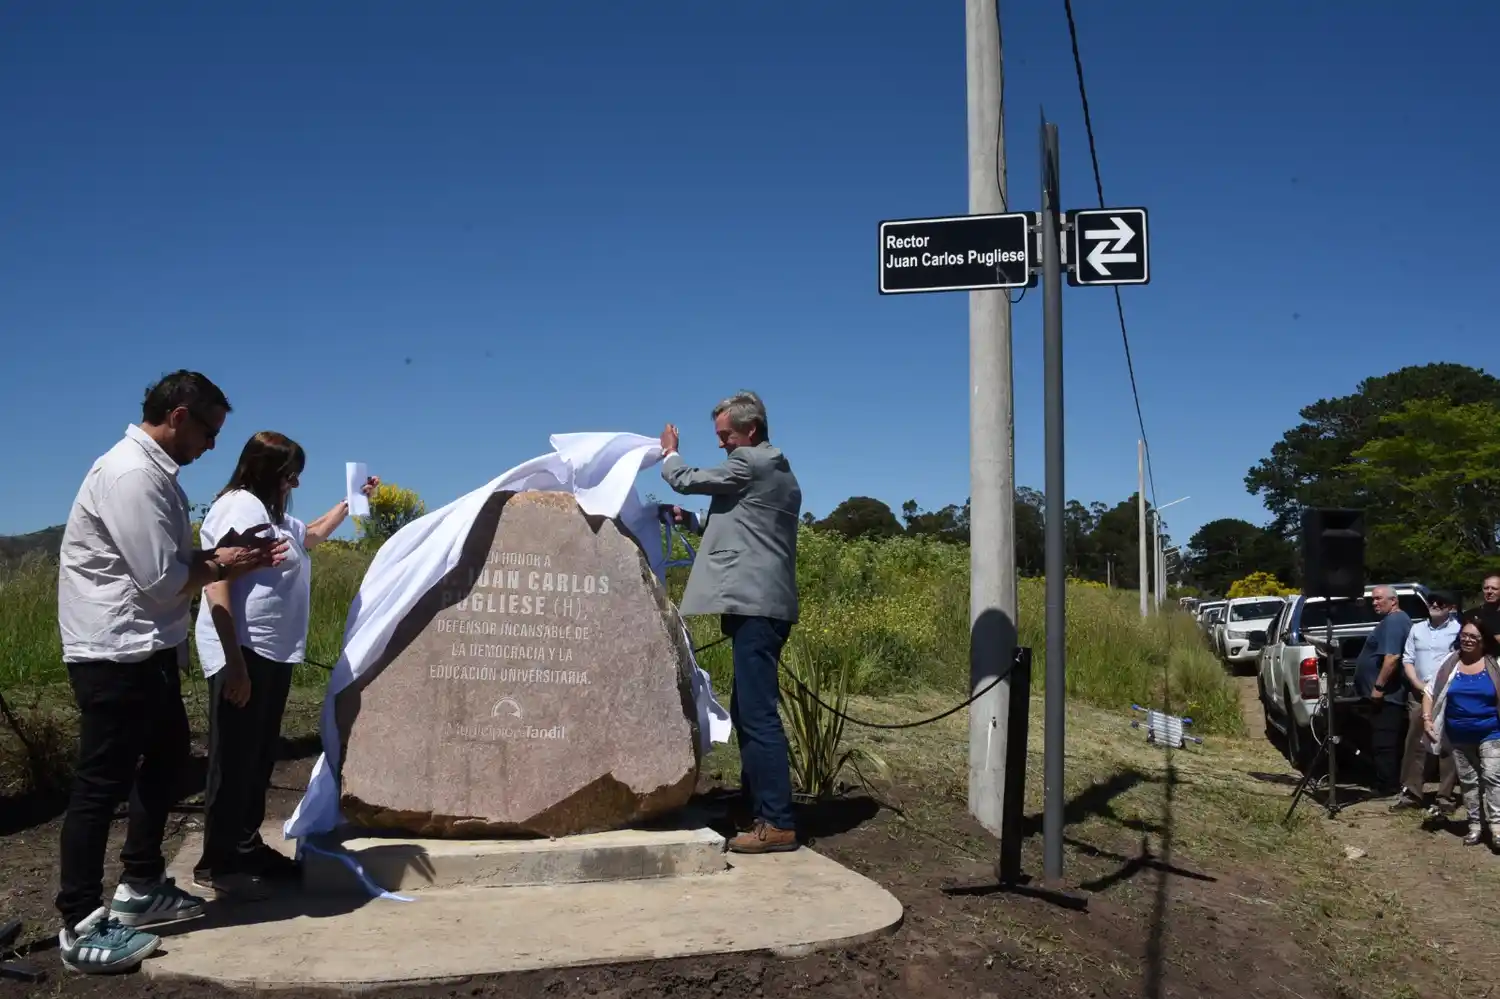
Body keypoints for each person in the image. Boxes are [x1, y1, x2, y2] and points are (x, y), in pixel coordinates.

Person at [55, 371, 286, 974]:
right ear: (180, 415)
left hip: (148, 650)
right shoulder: (131, 475)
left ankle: (140, 885)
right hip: (113, 654)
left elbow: (170, 565)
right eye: (209, 430)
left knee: (167, 765)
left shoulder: (156, 475)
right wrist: (226, 561)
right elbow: (161, 578)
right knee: (100, 786)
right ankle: (79, 923)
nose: (212, 445)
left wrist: (216, 557)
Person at [191, 432, 378, 899]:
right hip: (245, 650)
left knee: (256, 756)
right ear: (267, 470)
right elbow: (217, 583)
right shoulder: (240, 508)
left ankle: (246, 845)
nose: (294, 481)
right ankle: (219, 863)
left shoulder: (270, 514)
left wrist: (352, 501)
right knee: (234, 758)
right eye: (290, 473)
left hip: (271, 651)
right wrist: (234, 663)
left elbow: (309, 535)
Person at [659, 390, 802, 854]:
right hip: (764, 606)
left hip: (756, 607)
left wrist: (670, 451)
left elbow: (684, 478)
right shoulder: (777, 471)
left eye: (726, 435)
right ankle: (754, 807)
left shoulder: (751, 463)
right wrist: (695, 521)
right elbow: (748, 524)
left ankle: (777, 822)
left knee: (758, 717)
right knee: (747, 711)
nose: (722, 443)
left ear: (750, 431)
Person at [1422, 618, 1500, 847]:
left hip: (1491, 732)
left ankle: (1496, 827)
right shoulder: (1450, 663)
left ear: (1483, 642)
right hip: (1458, 735)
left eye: (1473, 637)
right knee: (1468, 782)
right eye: (1464, 635)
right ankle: (1475, 825)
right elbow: (1429, 692)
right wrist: (1427, 720)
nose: (1467, 640)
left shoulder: (1494, 664)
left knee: (1493, 778)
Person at [1397, 591, 1461, 814]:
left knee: (1448, 745)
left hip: (1449, 694)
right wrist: (1416, 683)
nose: (1434, 605)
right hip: (1419, 693)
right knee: (1415, 743)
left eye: (1440, 602)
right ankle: (1412, 792)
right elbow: (1407, 658)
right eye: (1431, 601)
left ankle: (1445, 795)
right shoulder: (1417, 629)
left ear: (1450, 607)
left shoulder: (1459, 630)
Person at [1354, 585, 1414, 798]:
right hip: (1383, 695)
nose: (1374, 603)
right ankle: (1383, 779)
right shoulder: (1392, 621)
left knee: (1384, 741)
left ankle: (1387, 785)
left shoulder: (1395, 621)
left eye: (1379, 599)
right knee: (1380, 739)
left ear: (1394, 601)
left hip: (1388, 696)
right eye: (1373, 599)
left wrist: (1378, 687)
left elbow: (1392, 658)